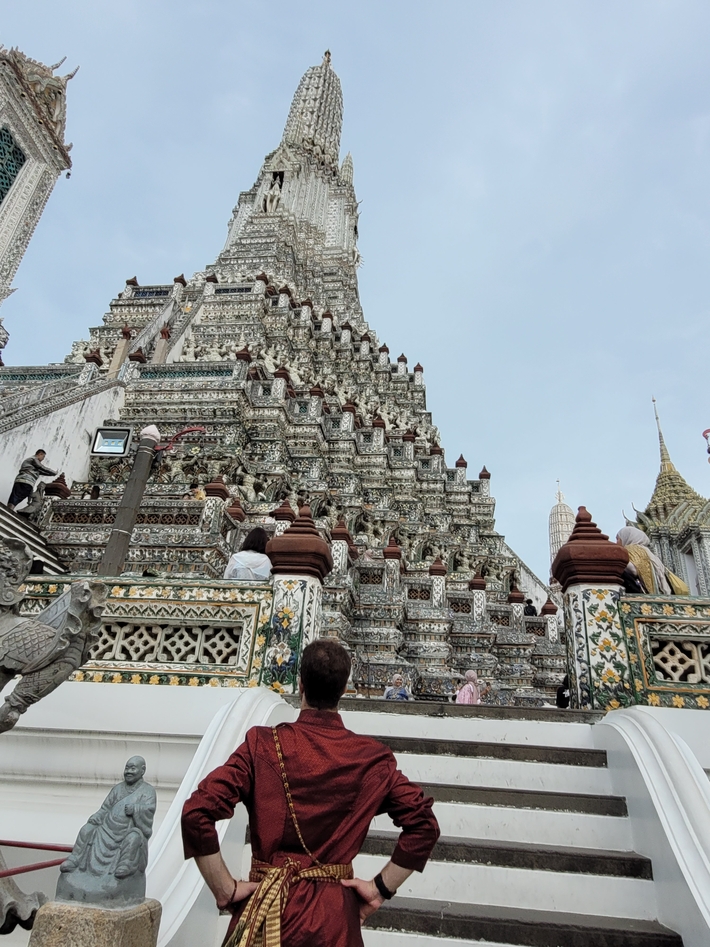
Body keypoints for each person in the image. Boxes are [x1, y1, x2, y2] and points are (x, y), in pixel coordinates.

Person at [181, 640, 439, 947]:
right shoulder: (370, 758)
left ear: (300, 684)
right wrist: (378, 889)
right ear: (343, 690)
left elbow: (196, 812)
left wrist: (224, 890)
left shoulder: (262, 745)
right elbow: (424, 825)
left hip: (266, 911)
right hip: (333, 920)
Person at [616, 527, 689, 595]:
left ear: (626, 537)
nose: (616, 543)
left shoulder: (631, 549)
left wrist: (617, 562)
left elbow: (634, 570)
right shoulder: (648, 552)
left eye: (618, 539)